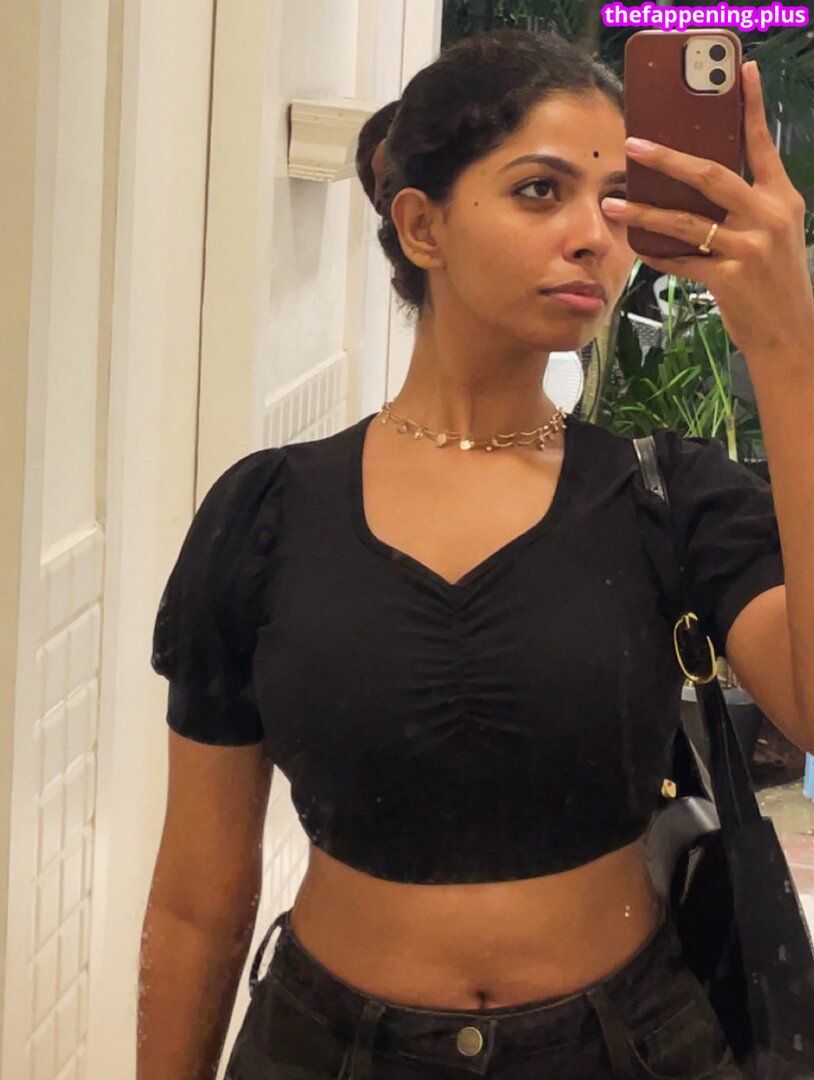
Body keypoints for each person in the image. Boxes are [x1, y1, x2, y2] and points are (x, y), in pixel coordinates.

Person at [139, 28, 792, 1079]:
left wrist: (787, 348)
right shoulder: (268, 513)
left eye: (616, 200)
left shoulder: (667, 495)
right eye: (540, 191)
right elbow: (195, 899)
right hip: (323, 1051)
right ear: (422, 226)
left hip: (626, 1048)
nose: (594, 235)